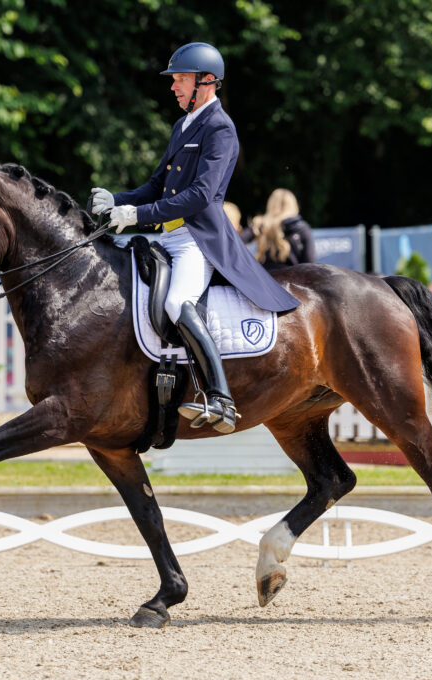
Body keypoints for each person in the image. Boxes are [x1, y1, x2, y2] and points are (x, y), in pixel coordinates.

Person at [89, 42, 300, 434]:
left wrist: (136, 216)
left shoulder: (220, 128)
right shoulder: (183, 125)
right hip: (167, 238)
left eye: (180, 79)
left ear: (206, 81)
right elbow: (157, 184)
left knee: (175, 301)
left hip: (196, 241)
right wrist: (116, 200)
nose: (173, 87)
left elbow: (200, 196)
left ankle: (220, 397)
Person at [251, 188, 316, 268]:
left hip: (265, 278)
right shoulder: (302, 228)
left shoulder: (261, 225)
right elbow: (310, 264)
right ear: (293, 205)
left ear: (271, 205)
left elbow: (238, 241)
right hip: (293, 278)